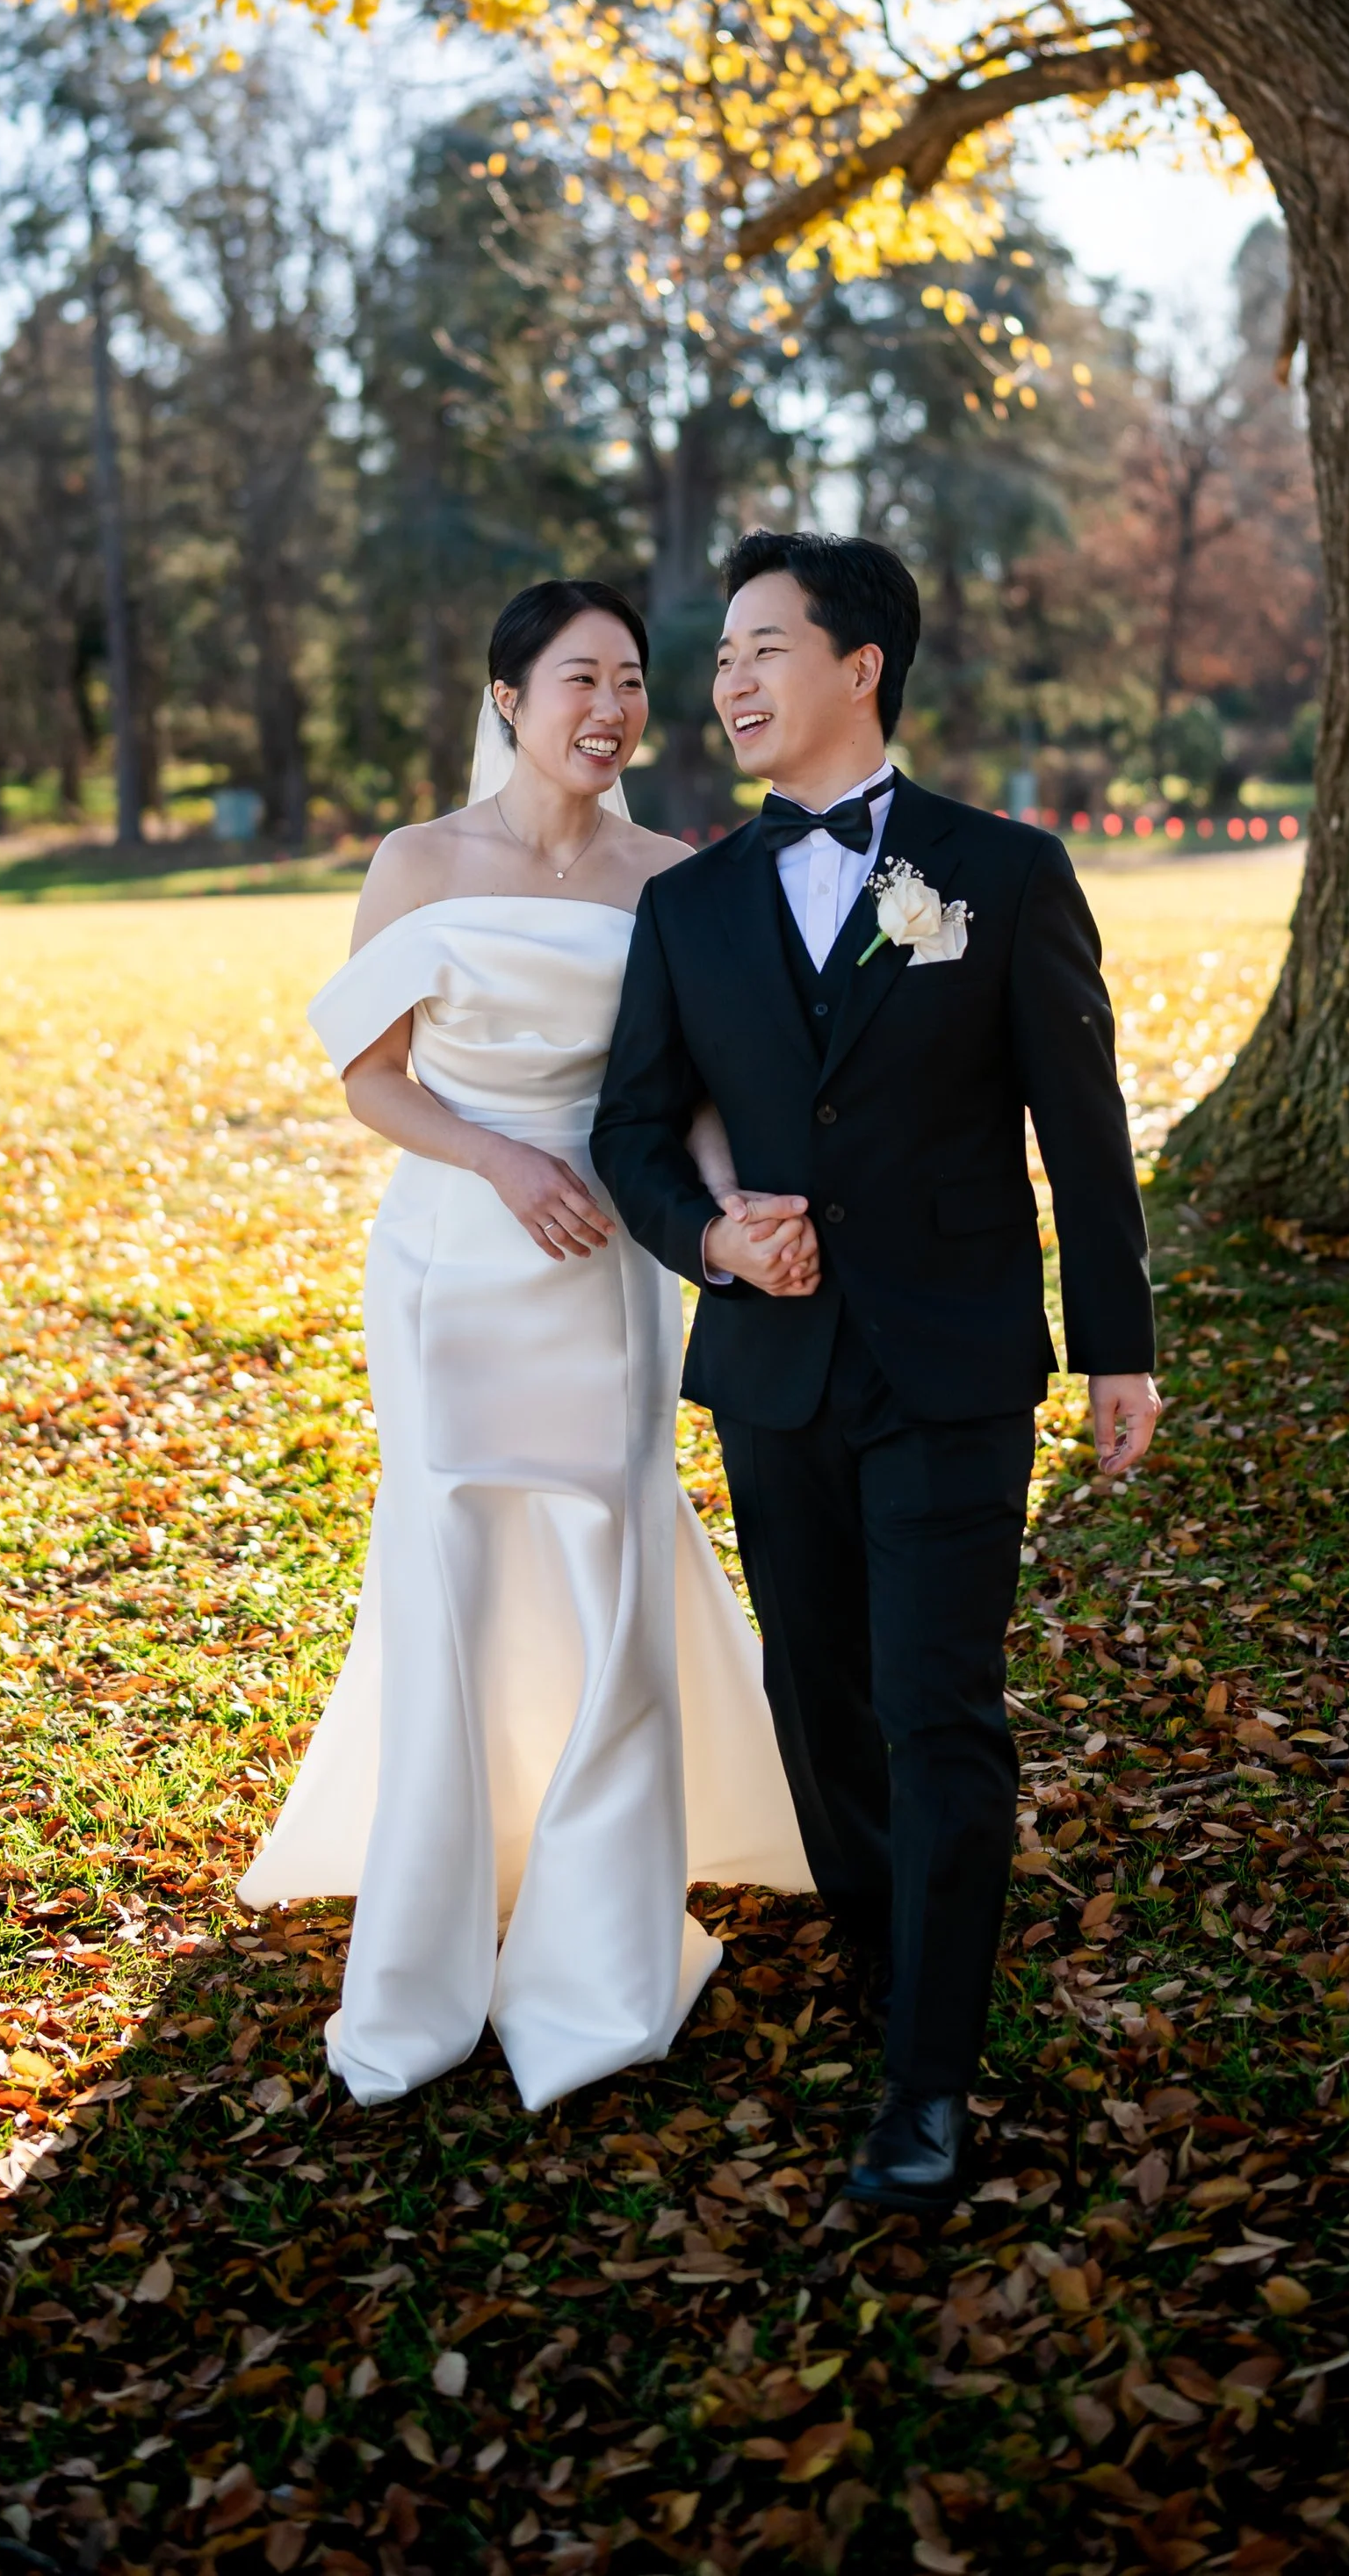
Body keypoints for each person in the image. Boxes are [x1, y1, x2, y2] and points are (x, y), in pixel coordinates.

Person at [591, 531, 1159, 2212]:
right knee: (815, 1700)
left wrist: (1118, 1346)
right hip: (775, 1366)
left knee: (939, 1707)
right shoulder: (686, 905)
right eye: (720, 661)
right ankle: (894, 1945)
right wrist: (712, 1238)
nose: (732, 684)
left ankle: (930, 2078)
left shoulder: (1004, 869)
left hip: (956, 1365)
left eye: (767, 647)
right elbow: (627, 1131)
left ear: (861, 667)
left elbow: (1085, 1126)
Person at [239, 578, 816, 2111]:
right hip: (454, 1270)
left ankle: (592, 1956)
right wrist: (500, 1159)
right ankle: (429, 1952)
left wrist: (724, 1217)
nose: (611, 708)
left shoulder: (667, 877)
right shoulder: (420, 862)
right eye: (579, 678)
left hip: (613, 1267)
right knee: (455, 1572)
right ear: (509, 697)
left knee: (615, 1564)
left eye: (632, 679)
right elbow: (369, 1078)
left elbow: (687, 1092)